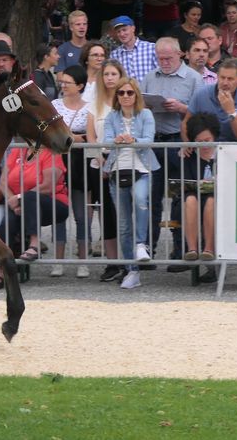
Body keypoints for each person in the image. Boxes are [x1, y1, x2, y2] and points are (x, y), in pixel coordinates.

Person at [140, 36, 204, 260]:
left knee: (182, 198)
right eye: (160, 58)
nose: (164, 62)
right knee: (150, 198)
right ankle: (147, 249)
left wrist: (181, 108)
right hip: (154, 140)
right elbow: (139, 106)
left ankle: (182, 249)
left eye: (168, 58)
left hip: (180, 142)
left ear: (180, 54)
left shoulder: (194, 79)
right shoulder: (149, 77)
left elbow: (202, 114)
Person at [103, 78, 161, 289]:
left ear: (136, 95)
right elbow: (106, 142)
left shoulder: (146, 115)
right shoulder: (111, 117)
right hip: (117, 170)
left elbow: (149, 139)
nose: (126, 96)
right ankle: (132, 270)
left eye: (130, 92)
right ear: (117, 96)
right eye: (121, 93)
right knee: (124, 224)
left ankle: (140, 244)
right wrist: (115, 142)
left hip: (142, 169)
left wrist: (133, 141)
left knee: (140, 199)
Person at [0, 146, 70, 291]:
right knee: (8, 222)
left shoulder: (51, 153)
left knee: (30, 196)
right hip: (20, 205)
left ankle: (34, 244)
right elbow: (3, 183)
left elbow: (48, 185)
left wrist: (20, 198)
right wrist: (13, 202)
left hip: (53, 203)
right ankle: (1, 269)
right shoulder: (17, 151)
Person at [50, 65, 91, 278]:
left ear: (81, 86)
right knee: (59, 212)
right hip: (57, 160)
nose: (63, 85)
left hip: (80, 163)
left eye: (68, 82)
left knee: (81, 214)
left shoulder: (89, 107)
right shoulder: (54, 105)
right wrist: (74, 137)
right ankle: (58, 260)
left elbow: (90, 136)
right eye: (62, 82)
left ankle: (83, 260)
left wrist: (70, 137)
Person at [85, 59, 124, 281]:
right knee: (107, 213)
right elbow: (91, 136)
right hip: (99, 164)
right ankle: (112, 262)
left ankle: (128, 260)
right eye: (106, 74)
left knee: (125, 213)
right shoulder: (94, 104)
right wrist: (99, 158)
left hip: (124, 163)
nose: (109, 78)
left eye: (113, 74)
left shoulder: (127, 100)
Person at [181, 112, 219, 284]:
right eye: (200, 141)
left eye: (208, 140)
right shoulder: (188, 156)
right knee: (190, 200)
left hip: (216, 202)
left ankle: (209, 249)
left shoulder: (222, 155)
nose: (204, 145)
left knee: (211, 201)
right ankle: (192, 249)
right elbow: (183, 184)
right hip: (192, 200)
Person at [185, 58, 237, 144]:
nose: (225, 83)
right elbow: (185, 123)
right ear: (217, 76)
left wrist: (231, 112)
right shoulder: (201, 94)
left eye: (230, 79)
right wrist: (187, 144)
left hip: (234, 151)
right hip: (206, 149)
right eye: (222, 78)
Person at [110, 15, 158, 82]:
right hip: (127, 92)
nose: (122, 34)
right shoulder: (114, 55)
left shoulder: (151, 48)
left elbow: (160, 73)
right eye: (118, 31)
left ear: (133, 28)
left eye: (124, 30)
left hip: (150, 91)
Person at [55, 10, 89, 77]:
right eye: (78, 24)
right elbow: (60, 77)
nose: (82, 27)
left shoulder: (94, 48)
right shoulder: (62, 49)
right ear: (71, 27)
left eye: (84, 24)